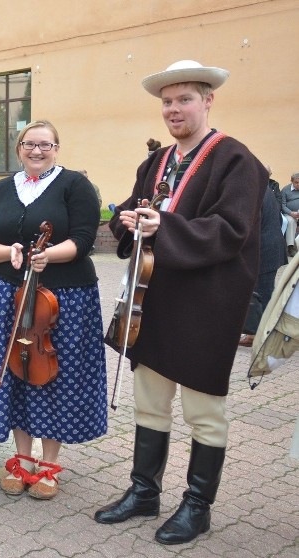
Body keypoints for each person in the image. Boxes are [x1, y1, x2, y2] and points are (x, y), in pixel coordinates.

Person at [94, 60, 266, 545]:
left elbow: (232, 232)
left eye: (184, 99)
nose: (174, 109)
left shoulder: (236, 160)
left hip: (205, 307)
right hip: (154, 300)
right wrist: (127, 221)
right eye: (167, 102)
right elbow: (135, 211)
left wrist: (162, 228)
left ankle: (197, 507)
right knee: (150, 404)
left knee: (203, 411)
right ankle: (144, 491)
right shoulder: (156, 162)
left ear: (208, 100)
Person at [0, 120, 107, 500]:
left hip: (63, 298)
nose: (36, 151)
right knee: (15, 371)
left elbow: (84, 239)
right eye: (29, 144)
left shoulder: (75, 185)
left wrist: (47, 256)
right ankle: (23, 460)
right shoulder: (0, 188)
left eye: (45, 144)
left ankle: (49, 465)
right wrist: (7, 252)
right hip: (4, 293)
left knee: (54, 373)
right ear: (19, 148)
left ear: (57, 147)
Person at [239, 183, 287, 346]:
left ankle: (264, 337)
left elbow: (249, 226)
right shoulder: (263, 188)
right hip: (270, 245)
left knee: (263, 293)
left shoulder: (254, 190)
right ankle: (257, 334)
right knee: (262, 291)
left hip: (265, 249)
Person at [280, 172, 299, 256]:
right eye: (296, 182)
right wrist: (291, 213)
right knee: (291, 222)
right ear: (291, 181)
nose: (298, 184)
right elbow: (282, 205)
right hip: (289, 214)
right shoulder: (285, 190)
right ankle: (291, 247)